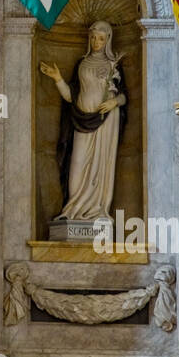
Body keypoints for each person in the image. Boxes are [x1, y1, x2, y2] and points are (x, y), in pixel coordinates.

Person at [39, 20, 126, 222]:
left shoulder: (113, 65)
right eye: (93, 37)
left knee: (102, 166)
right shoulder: (82, 63)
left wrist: (114, 102)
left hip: (106, 121)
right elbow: (70, 96)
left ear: (108, 40)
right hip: (81, 119)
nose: (96, 42)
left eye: (101, 39)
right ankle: (72, 210)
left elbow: (124, 96)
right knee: (77, 166)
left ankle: (98, 210)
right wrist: (57, 78)